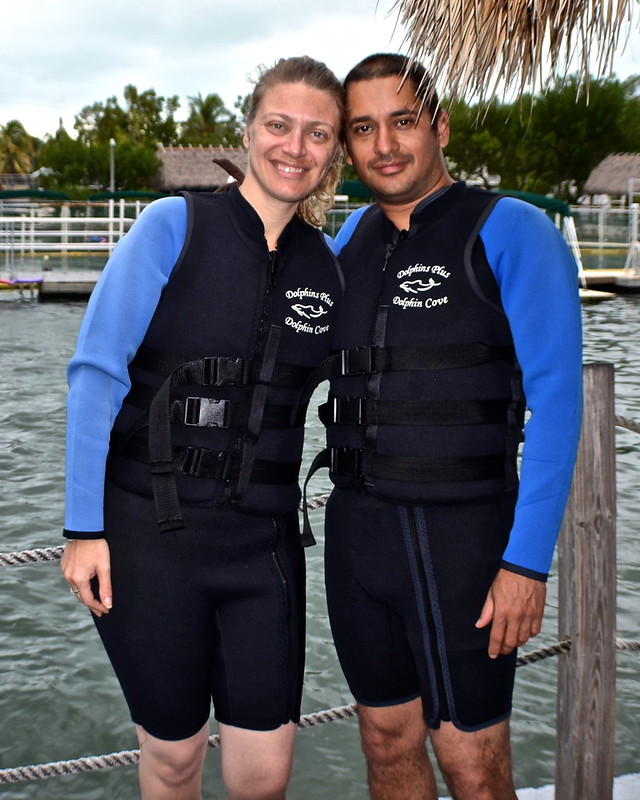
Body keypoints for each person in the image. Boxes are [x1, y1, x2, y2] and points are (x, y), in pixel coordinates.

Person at [61, 55, 345, 800]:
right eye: (280, 125)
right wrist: (82, 529)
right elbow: (96, 373)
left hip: (266, 553)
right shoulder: (172, 227)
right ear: (249, 129)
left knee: (265, 773)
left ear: (335, 152)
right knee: (175, 760)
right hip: (150, 544)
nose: (296, 146)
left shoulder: (330, 270)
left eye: (319, 133)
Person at [307, 53, 583, 799]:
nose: (385, 145)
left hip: (465, 541)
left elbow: (559, 409)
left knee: (472, 760)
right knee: (384, 743)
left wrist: (526, 564)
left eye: (403, 122)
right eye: (364, 128)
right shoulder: (343, 246)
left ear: (439, 126)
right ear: (347, 144)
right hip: (358, 537)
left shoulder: (512, 231)